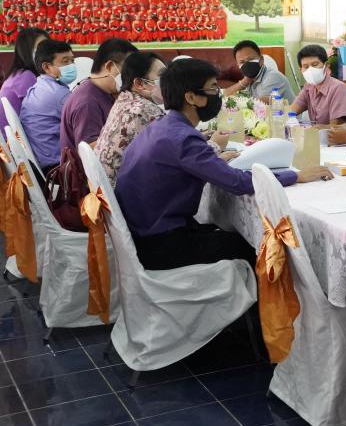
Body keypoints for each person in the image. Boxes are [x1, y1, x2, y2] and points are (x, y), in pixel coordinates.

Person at [115, 58, 332, 271]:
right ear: (191, 97)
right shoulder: (183, 138)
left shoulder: (161, 127)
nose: (218, 94)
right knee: (258, 248)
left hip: (143, 234)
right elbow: (238, 183)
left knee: (234, 234)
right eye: (212, 88)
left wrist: (214, 161)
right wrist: (296, 176)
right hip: (160, 244)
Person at [94, 52, 166, 183]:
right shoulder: (145, 110)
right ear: (139, 83)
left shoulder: (125, 99)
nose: (169, 82)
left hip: (106, 187)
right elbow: (175, 151)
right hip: (125, 190)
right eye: (162, 76)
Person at [59, 37, 138, 153]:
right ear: (109, 66)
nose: (131, 76)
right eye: (128, 70)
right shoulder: (87, 103)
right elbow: (90, 152)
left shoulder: (105, 91)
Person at [20, 39, 76, 171]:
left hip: (39, 159)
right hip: (56, 165)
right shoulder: (59, 94)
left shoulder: (40, 84)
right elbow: (81, 124)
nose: (71, 66)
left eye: (72, 61)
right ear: (46, 67)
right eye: (65, 61)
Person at [0, 27, 48, 131]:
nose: (47, 51)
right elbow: (43, 114)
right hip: (20, 139)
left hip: (17, 136)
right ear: (27, 50)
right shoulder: (26, 77)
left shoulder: (20, 73)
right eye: (41, 47)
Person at [288, 45, 346, 125]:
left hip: (338, 133)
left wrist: (311, 130)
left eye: (315, 64)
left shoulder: (338, 88)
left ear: (326, 65)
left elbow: (335, 127)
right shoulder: (309, 86)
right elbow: (293, 109)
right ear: (301, 70)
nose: (310, 70)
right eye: (306, 67)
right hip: (316, 132)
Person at [225, 40, 294, 102]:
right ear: (238, 65)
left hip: (286, 113)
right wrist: (244, 82)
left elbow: (261, 105)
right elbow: (225, 95)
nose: (247, 64)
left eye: (250, 59)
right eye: (242, 62)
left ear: (261, 60)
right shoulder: (251, 78)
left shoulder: (273, 77)